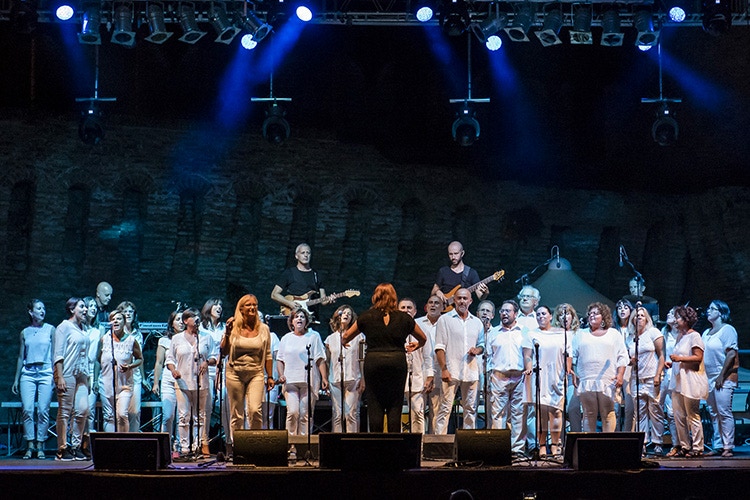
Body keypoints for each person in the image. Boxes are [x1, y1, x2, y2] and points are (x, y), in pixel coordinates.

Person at [343, 283, 426, 433]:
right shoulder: (404, 318)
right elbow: (423, 338)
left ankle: (376, 444)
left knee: (375, 403)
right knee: (395, 403)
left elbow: (346, 336)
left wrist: (344, 342)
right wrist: (417, 345)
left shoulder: (366, 316)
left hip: (374, 362)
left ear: (375, 297)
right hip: (397, 361)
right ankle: (394, 444)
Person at [221, 295, 274, 449]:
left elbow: (268, 355)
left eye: (255, 305)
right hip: (234, 372)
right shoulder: (233, 326)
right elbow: (224, 352)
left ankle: (255, 445)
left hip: (256, 372)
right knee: (236, 413)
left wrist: (270, 376)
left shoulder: (264, 329)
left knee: (255, 410)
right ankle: (238, 447)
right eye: (248, 305)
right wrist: (227, 333)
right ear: (241, 309)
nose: (252, 308)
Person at [166, 307, 217, 457]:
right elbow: (170, 359)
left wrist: (207, 362)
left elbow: (215, 356)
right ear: (185, 321)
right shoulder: (177, 339)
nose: (196, 319)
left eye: (197, 316)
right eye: (193, 316)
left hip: (201, 382)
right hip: (183, 382)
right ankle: (184, 447)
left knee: (200, 416)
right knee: (184, 415)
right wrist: (174, 370)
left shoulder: (206, 337)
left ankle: (198, 445)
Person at [434, 288, 484, 434]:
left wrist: (477, 350)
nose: (462, 301)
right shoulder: (445, 319)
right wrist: (444, 369)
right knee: (445, 408)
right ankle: (440, 441)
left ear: (470, 301)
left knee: (470, 409)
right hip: (452, 370)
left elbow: (482, 344)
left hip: (471, 371)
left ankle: (469, 442)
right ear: (454, 300)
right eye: (459, 298)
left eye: (465, 298)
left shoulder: (477, 322)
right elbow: (439, 347)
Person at [572, 302, 627, 433]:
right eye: (590, 313)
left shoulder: (613, 334)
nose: (592, 315)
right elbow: (572, 356)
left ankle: (607, 443)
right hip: (586, 378)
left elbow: (622, 356)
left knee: (608, 412)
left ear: (604, 317)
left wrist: (620, 375)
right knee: (589, 413)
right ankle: (589, 443)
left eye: (596, 313)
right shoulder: (580, 334)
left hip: (607, 379)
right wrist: (574, 374)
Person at [11, 299, 55, 459]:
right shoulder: (25, 332)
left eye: (43, 308)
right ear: (31, 312)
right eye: (38, 308)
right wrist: (16, 379)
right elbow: (20, 356)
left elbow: (54, 354)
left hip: (46, 372)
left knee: (43, 410)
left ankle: (40, 444)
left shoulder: (50, 329)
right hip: (28, 373)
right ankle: (30, 444)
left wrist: (56, 375)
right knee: (28, 409)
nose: (42, 311)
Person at [487, 300, 530, 456]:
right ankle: (498, 449)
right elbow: (488, 356)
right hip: (499, 377)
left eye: (508, 311)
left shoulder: (524, 331)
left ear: (515, 314)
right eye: (502, 311)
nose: (504, 313)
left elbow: (528, 354)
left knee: (519, 414)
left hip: (519, 377)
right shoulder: (494, 332)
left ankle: (517, 449)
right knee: (498, 414)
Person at [277, 309, 328, 441]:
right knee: (293, 412)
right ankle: (291, 443)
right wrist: (281, 374)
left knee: (305, 414)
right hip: (290, 381)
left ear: (306, 321)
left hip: (308, 381)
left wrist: (324, 378)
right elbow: (280, 360)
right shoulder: (286, 338)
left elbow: (320, 358)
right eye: (296, 317)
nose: (299, 319)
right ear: (291, 321)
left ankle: (304, 444)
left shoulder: (313, 336)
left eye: (302, 317)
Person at [665, 305, 708, 458]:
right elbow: (680, 357)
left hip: (690, 380)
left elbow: (698, 357)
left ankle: (697, 447)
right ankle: (684, 446)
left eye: (678, 317)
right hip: (678, 380)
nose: (675, 321)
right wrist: (672, 363)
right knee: (678, 415)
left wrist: (680, 358)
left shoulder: (694, 336)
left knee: (692, 414)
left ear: (686, 319)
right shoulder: (680, 336)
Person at [53, 298, 90, 461]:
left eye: (86, 307)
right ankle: (62, 448)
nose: (85, 310)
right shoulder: (64, 327)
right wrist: (59, 376)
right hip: (67, 372)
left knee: (82, 409)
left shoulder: (83, 328)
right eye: (82, 306)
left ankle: (76, 445)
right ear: (72, 309)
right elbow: (58, 353)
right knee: (65, 411)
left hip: (81, 373)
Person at [530, 305, 570, 457]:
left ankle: (554, 444)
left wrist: (567, 369)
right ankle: (541, 445)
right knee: (541, 413)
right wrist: (528, 367)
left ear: (551, 316)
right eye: (538, 314)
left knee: (556, 411)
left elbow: (568, 353)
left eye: (544, 314)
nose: (541, 316)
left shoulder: (561, 334)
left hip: (557, 375)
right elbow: (528, 354)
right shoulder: (533, 334)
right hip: (540, 375)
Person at [95, 310, 143, 432]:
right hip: (106, 384)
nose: (115, 321)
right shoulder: (104, 339)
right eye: (113, 319)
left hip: (124, 385)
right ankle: (111, 442)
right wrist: (95, 380)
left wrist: (130, 366)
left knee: (122, 414)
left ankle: (123, 441)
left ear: (124, 322)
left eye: (119, 319)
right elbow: (97, 360)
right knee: (109, 416)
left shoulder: (131, 340)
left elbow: (140, 359)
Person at [626, 306, 665, 455]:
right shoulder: (630, 338)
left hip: (651, 377)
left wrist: (657, 375)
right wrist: (631, 361)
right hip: (637, 379)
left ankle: (657, 443)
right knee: (640, 413)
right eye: (636, 316)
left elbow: (662, 355)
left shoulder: (653, 333)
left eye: (642, 315)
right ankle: (642, 443)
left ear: (647, 318)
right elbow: (627, 359)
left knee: (655, 411)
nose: (639, 318)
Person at [702, 300, 739, 457]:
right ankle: (717, 445)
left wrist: (721, 376)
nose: (708, 311)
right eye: (709, 308)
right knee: (714, 412)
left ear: (721, 312)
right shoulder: (706, 332)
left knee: (724, 411)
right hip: (708, 377)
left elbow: (731, 354)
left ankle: (728, 446)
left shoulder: (727, 330)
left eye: (713, 309)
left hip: (724, 376)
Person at [325, 305, 364, 432]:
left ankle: (352, 441)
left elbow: (362, 359)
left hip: (353, 378)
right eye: (344, 313)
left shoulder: (359, 337)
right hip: (335, 379)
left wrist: (363, 378)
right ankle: (337, 441)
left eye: (349, 314)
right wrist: (325, 379)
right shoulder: (330, 339)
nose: (346, 315)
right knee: (337, 414)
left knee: (351, 414)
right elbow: (327, 361)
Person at [399, 297, 434, 434]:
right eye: (403, 308)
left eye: (409, 308)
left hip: (417, 378)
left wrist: (429, 376)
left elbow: (428, 356)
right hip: (398, 378)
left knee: (418, 413)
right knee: (396, 414)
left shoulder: (422, 329)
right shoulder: (394, 329)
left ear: (415, 311)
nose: (406, 310)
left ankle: (419, 443)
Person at [152, 310, 184, 457]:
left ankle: (179, 446)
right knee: (168, 415)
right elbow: (159, 363)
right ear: (172, 323)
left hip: (183, 380)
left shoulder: (189, 339)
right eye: (177, 319)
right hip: (168, 380)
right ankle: (165, 446)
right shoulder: (164, 340)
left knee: (181, 416)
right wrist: (155, 383)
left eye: (183, 319)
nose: (181, 322)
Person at [271, 243, 329, 317]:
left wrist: (329, 300)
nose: (306, 255)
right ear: (296, 256)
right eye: (302, 253)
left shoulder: (317, 275)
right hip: (294, 316)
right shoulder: (289, 273)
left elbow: (323, 300)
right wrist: (289, 303)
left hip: (312, 317)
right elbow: (274, 294)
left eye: (308, 253)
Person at [199, 298, 227, 441]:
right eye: (216, 304)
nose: (219, 307)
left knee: (225, 404)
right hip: (207, 370)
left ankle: (228, 440)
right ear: (209, 307)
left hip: (223, 369)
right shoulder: (201, 328)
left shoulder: (225, 327)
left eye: (221, 305)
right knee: (207, 407)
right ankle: (204, 439)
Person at [116, 301, 146, 432]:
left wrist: (144, 378)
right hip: (121, 376)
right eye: (125, 312)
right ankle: (121, 438)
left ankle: (134, 438)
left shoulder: (137, 334)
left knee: (135, 411)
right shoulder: (116, 333)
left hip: (135, 376)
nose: (128, 314)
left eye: (130, 311)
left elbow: (140, 358)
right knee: (122, 412)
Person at [551, 303, 582, 432]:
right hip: (557, 373)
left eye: (567, 313)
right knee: (558, 409)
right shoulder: (553, 334)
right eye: (561, 314)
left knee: (573, 408)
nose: (564, 317)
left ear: (572, 316)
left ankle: (576, 437)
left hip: (574, 373)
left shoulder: (579, 334)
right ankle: (560, 440)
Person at [418, 294, 445, 434]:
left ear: (443, 307)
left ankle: (435, 442)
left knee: (437, 409)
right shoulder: (417, 323)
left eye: (436, 303)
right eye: (430, 302)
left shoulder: (446, 323)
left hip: (440, 371)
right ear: (426, 306)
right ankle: (419, 441)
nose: (433, 305)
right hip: (420, 370)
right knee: (418, 410)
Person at [659, 307, 679, 456]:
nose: (668, 314)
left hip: (678, 375)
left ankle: (680, 444)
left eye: (672, 313)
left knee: (676, 412)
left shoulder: (684, 334)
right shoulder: (664, 332)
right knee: (666, 411)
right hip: (665, 375)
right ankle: (669, 444)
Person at [614, 299, 635, 432]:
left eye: (626, 307)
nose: (622, 310)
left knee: (630, 403)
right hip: (615, 366)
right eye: (620, 307)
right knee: (615, 403)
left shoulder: (635, 329)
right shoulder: (612, 330)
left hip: (630, 367)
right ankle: (615, 433)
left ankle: (629, 434)